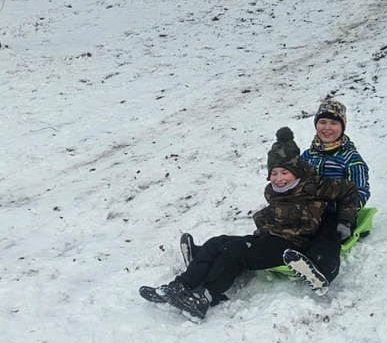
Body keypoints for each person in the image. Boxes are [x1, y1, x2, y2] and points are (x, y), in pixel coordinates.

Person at [140, 127, 359, 321]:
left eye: (285, 172)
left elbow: (349, 190)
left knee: (234, 251)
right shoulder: (272, 190)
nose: (279, 178)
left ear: (296, 171)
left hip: (291, 245)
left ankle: (204, 298)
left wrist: (345, 221)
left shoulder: (314, 185)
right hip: (269, 238)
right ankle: (179, 286)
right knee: (217, 242)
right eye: (274, 173)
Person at [293, 98, 370, 288]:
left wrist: (342, 213)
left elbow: (360, 191)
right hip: (307, 210)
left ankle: (322, 269)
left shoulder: (351, 158)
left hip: (335, 214)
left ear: (342, 127)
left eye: (334, 123)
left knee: (327, 235)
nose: (327, 128)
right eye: (323, 122)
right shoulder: (307, 155)